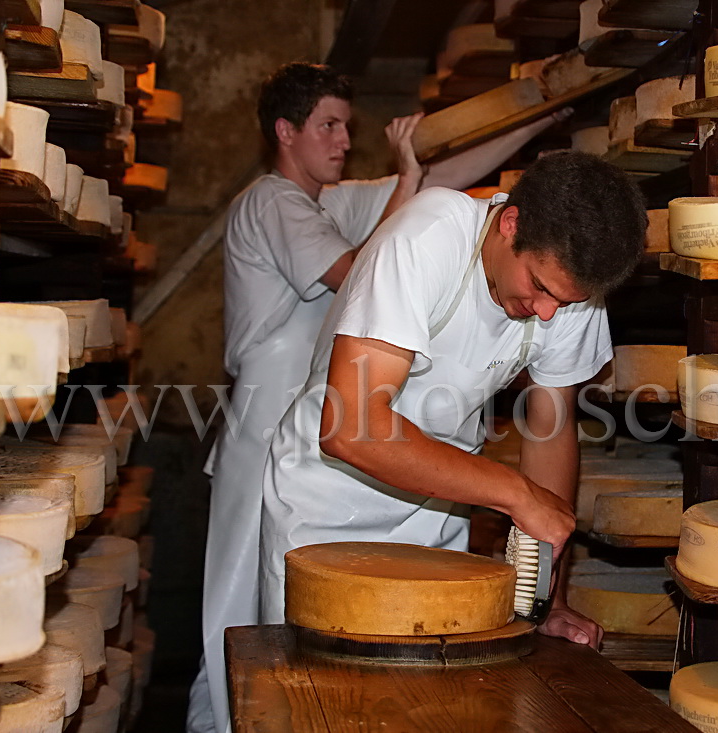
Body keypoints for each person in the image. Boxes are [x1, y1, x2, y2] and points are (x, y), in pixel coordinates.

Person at [189, 62, 568, 733]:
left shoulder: (329, 203)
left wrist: (541, 114)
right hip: (263, 416)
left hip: (313, 403)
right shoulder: (270, 199)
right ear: (285, 132)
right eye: (327, 125)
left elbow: (442, 191)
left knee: (271, 592)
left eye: (347, 126)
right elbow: (360, 263)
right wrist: (409, 180)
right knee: (238, 597)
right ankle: (222, 721)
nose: (341, 140)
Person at [258, 150, 649, 646]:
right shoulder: (427, 239)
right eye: (539, 286)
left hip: (437, 504)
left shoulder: (569, 288)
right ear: (510, 223)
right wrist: (515, 493)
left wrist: (545, 599)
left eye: (564, 302)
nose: (548, 313)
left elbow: (549, 428)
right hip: (326, 502)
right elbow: (352, 430)